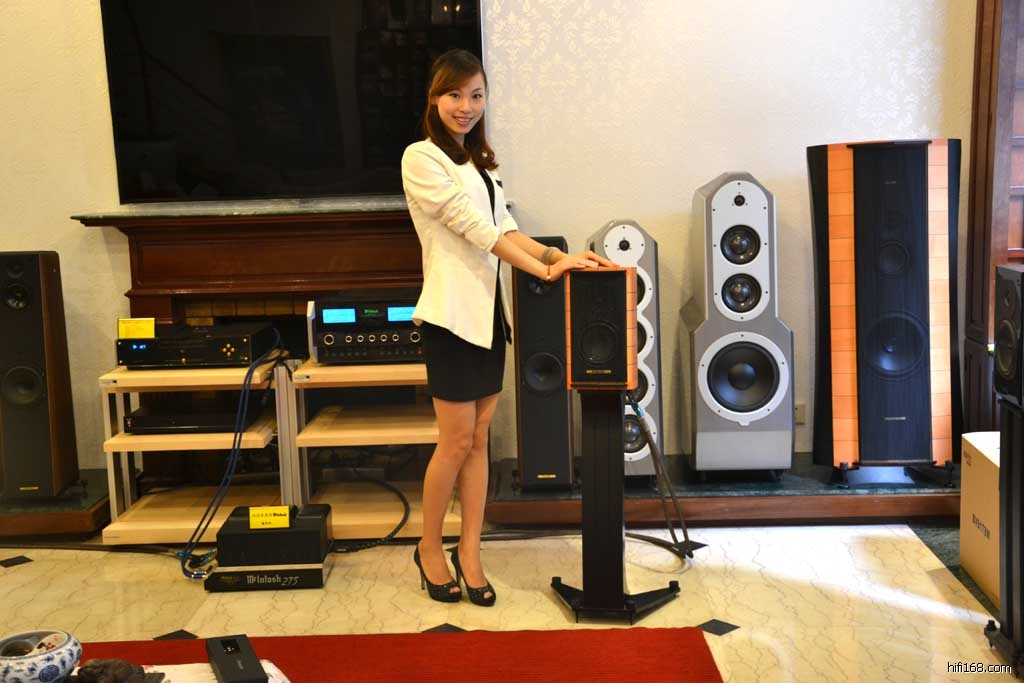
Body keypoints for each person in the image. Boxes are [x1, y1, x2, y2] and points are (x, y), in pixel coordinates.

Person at [401, 48, 614, 606]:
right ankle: (429, 548)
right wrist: (546, 269)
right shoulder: (421, 158)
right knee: (454, 442)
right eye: (454, 94)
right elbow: (476, 230)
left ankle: (470, 552)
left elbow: (508, 229)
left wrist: (557, 256)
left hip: (489, 319)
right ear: (434, 98)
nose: (466, 106)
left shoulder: (481, 164)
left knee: (479, 441)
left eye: (476, 95)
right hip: (450, 319)